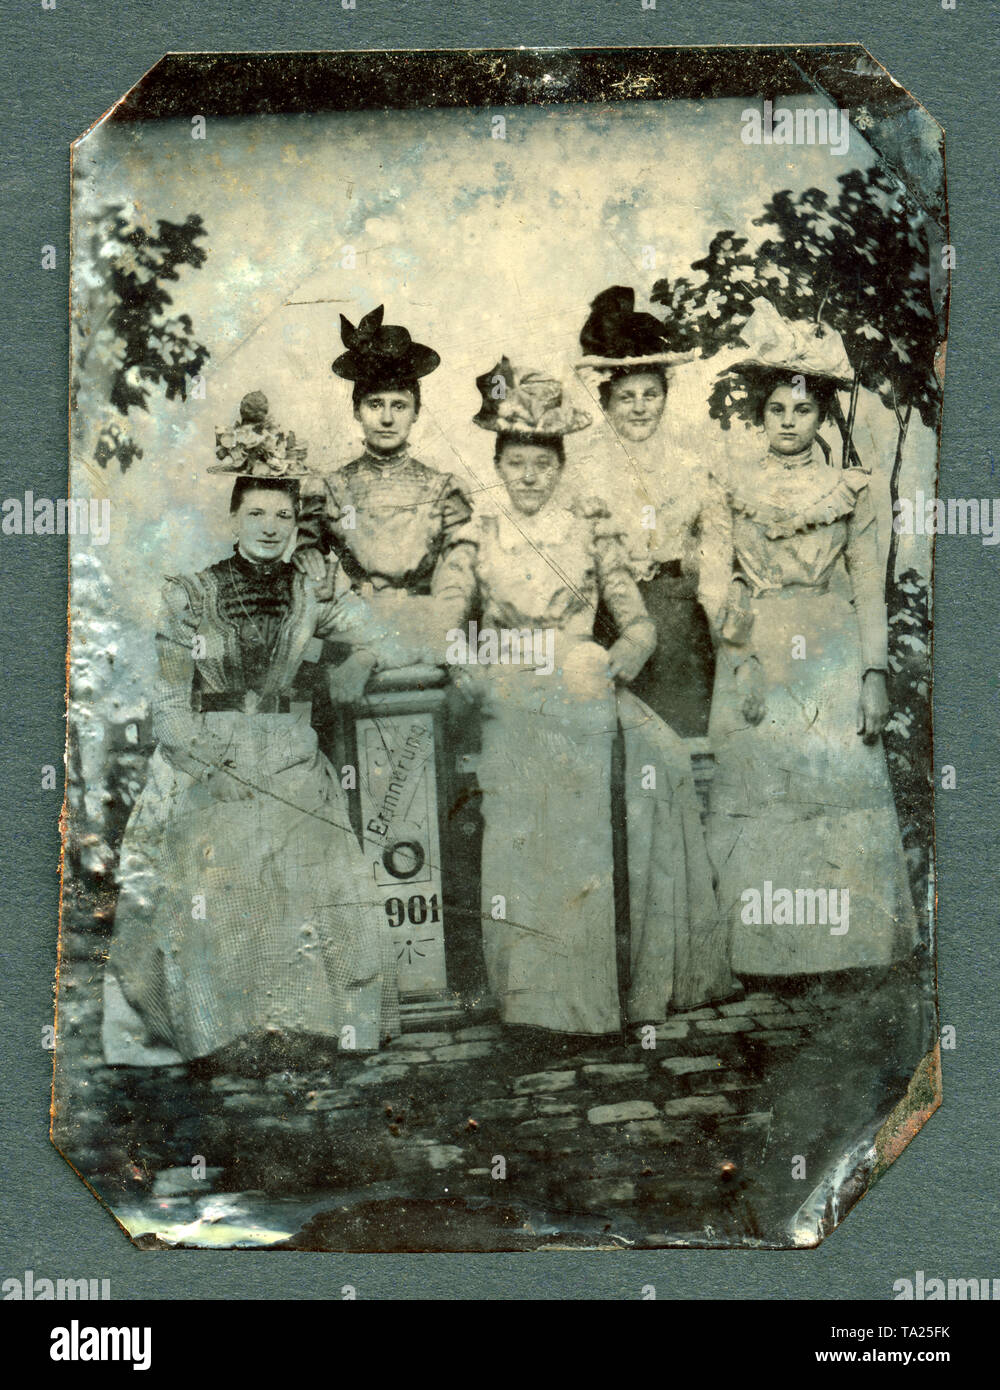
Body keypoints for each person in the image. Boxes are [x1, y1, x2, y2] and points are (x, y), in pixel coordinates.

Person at [429, 359, 733, 1035]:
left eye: (543, 463)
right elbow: (447, 625)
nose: (530, 477)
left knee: (645, 782)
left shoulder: (591, 531)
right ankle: (531, 1000)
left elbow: (640, 625)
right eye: (516, 464)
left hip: (582, 684)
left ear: (561, 465)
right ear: (499, 465)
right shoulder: (477, 534)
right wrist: (466, 671)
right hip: (509, 689)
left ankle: (597, 997)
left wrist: (617, 659)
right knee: (529, 829)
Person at [102, 401, 407, 1069]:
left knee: (311, 870)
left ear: (298, 524)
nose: (271, 528)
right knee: (219, 877)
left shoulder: (314, 591)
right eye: (258, 514)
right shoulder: (190, 592)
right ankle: (218, 1029)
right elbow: (166, 696)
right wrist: (199, 760)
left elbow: (389, 638)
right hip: (211, 754)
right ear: (233, 519)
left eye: (284, 516)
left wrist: (360, 659)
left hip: (292, 747)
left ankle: (309, 1025)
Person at [698, 300, 920, 981]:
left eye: (802, 410)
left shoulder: (850, 489)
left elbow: (866, 589)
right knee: (763, 792)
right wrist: (740, 663)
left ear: (822, 414)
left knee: (836, 789)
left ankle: (843, 952)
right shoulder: (727, 485)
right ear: (757, 416)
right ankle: (763, 956)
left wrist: (873, 674)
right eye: (775, 410)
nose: (789, 423)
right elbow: (714, 583)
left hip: (831, 649)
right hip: (758, 648)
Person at [293, 306, 472, 697]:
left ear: (416, 413)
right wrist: (306, 556)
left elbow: (459, 580)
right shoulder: (329, 487)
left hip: (426, 628)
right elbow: (307, 567)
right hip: (353, 626)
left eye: (399, 405)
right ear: (357, 411)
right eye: (375, 404)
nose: (387, 418)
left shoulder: (443, 488)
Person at [576, 285, 714, 738]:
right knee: (618, 740)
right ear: (606, 400)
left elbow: (711, 544)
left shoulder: (690, 464)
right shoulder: (583, 468)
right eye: (626, 397)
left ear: (665, 396)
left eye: (650, 395)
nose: (639, 407)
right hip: (608, 613)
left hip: (675, 613)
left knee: (680, 737)